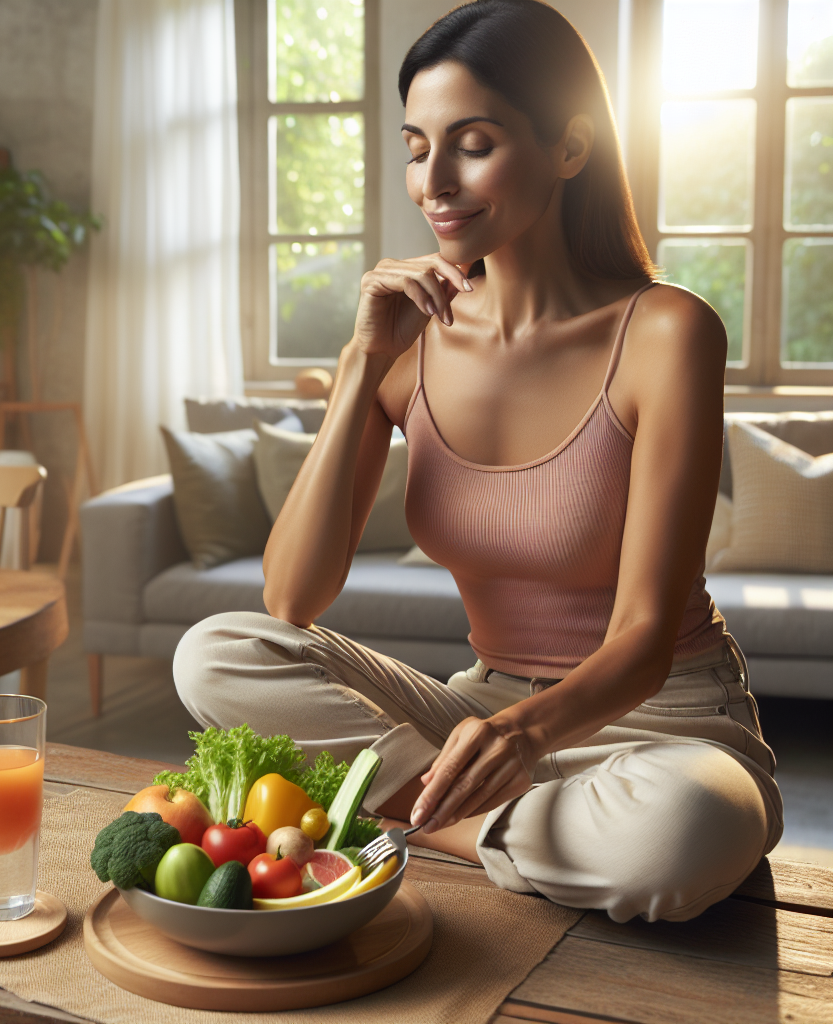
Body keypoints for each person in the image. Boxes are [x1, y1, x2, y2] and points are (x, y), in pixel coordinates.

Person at [173, 0, 782, 923]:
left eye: (474, 142)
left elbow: (645, 639)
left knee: (679, 829)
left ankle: (410, 822)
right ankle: (509, 833)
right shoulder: (410, 345)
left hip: (660, 723)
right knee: (215, 652)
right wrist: (361, 363)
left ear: (570, 147)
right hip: (474, 714)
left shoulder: (665, 333)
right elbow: (292, 600)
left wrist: (521, 733)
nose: (435, 181)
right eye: (418, 146)